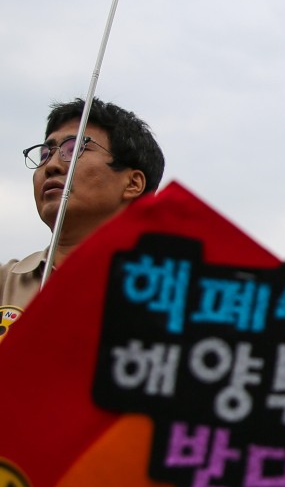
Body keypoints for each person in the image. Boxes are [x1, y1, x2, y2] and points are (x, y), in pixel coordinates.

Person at [0, 98, 165, 343]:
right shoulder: (6, 283)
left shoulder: (165, 295)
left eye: (75, 149)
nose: (52, 165)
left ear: (132, 183)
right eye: (45, 154)